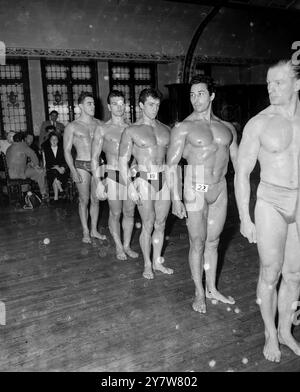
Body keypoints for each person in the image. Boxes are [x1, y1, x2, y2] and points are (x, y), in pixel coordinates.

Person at [235, 59, 300, 363]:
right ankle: (269, 333)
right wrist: (245, 218)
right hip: (271, 202)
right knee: (270, 272)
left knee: (295, 274)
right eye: (268, 84)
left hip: (299, 202)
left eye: (279, 83)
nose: (271, 89)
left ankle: (286, 330)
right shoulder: (259, 122)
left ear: (297, 84)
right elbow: (241, 172)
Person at [166, 75, 238, 314]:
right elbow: (171, 165)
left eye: (200, 93)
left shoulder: (227, 128)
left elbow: (239, 165)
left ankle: (211, 288)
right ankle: (198, 292)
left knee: (214, 242)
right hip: (196, 189)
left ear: (212, 95)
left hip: (218, 191)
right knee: (197, 242)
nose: (195, 99)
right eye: (192, 94)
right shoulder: (183, 127)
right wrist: (175, 198)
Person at [119, 88, 173, 279]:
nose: (155, 108)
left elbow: (172, 162)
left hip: (163, 180)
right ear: (141, 105)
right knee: (148, 223)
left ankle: (157, 261)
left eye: (157, 105)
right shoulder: (131, 130)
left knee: (161, 223)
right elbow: (122, 162)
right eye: (151, 104)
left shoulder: (166, 129)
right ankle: (147, 264)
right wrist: (130, 186)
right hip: (144, 179)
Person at [91, 90, 139, 260]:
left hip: (130, 176)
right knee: (115, 213)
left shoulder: (132, 128)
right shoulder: (102, 129)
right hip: (112, 174)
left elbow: (138, 155)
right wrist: (98, 182)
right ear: (109, 106)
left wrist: (137, 173)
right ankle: (118, 246)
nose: (119, 107)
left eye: (122, 103)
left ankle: (126, 245)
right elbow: (94, 158)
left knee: (130, 213)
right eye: (115, 104)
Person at [64, 91, 106, 243]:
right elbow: (67, 151)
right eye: (89, 103)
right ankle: (85, 231)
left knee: (96, 200)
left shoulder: (100, 124)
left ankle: (94, 230)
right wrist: (73, 170)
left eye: (94, 103)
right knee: (84, 200)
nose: (93, 106)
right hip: (81, 164)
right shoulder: (72, 126)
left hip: (98, 164)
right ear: (80, 106)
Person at [6, 132, 47, 198]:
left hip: (10, 174)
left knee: (36, 171)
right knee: (41, 171)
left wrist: (30, 165)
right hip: (19, 174)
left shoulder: (9, 148)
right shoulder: (23, 146)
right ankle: (43, 194)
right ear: (22, 140)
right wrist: (36, 165)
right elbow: (33, 155)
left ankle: (36, 192)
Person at [43, 132, 68, 202]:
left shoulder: (62, 149)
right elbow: (48, 163)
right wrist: (57, 168)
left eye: (55, 139)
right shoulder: (47, 150)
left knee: (55, 175)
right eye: (52, 139)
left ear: (58, 140)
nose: (54, 141)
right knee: (54, 173)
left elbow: (65, 160)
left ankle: (56, 197)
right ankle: (61, 190)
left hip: (62, 170)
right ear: (49, 140)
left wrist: (62, 168)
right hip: (51, 169)